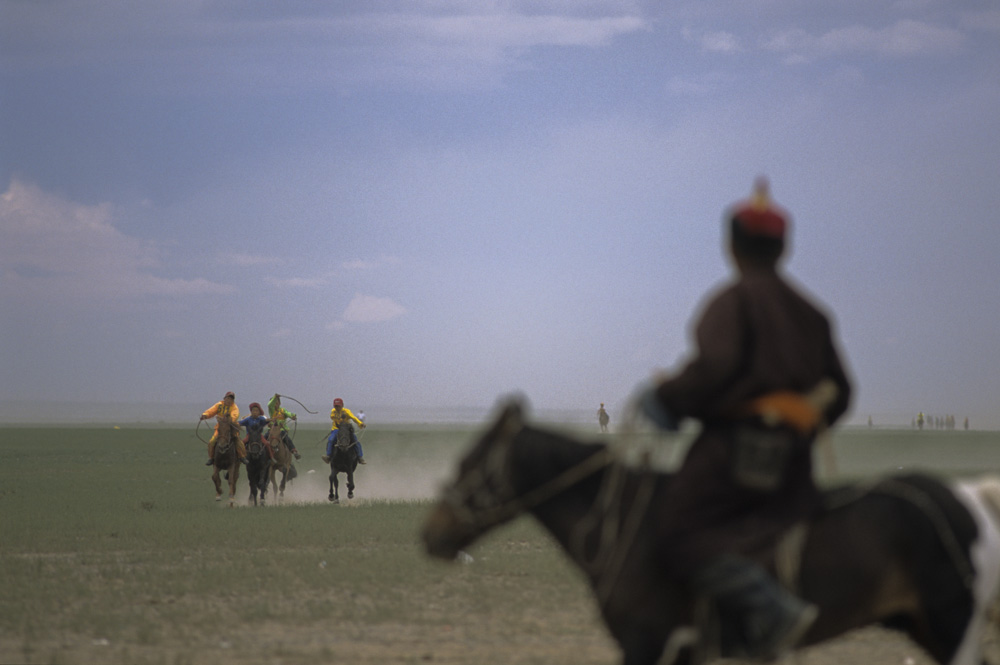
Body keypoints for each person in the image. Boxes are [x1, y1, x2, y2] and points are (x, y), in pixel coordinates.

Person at [639, 179, 852, 660]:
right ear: (783, 247)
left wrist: (664, 398)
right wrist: (800, 418)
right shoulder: (813, 315)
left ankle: (770, 611)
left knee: (675, 532)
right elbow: (843, 392)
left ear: (731, 247)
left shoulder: (730, 303)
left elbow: (713, 370)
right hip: (793, 470)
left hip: (731, 462)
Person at [200, 391, 248, 466]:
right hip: (220, 428)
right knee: (212, 441)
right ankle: (211, 458)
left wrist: (222, 418)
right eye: (228, 398)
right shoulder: (219, 405)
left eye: (231, 399)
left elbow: (233, 417)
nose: (229, 400)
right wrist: (205, 415)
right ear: (224, 398)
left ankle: (242, 456)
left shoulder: (234, 408)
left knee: (237, 440)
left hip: (231, 428)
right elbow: (211, 411)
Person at [323, 397, 366, 464]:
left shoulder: (346, 411)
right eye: (336, 406)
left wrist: (360, 423)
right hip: (336, 429)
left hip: (346, 429)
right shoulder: (333, 411)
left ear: (342, 405)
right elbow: (333, 418)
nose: (337, 407)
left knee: (355, 441)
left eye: (339, 406)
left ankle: (360, 457)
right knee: (331, 440)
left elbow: (353, 418)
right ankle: (328, 456)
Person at [267, 394, 302, 460]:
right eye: (274, 403)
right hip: (272, 430)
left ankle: (294, 451)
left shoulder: (283, 411)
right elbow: (269, 405)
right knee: (264, 438)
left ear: (280, 403)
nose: (275, 405)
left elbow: (289, 413)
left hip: (281, 430)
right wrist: (275, 397)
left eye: (277, 403)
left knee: (286, 438)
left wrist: (293, 416)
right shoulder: (272, 410)